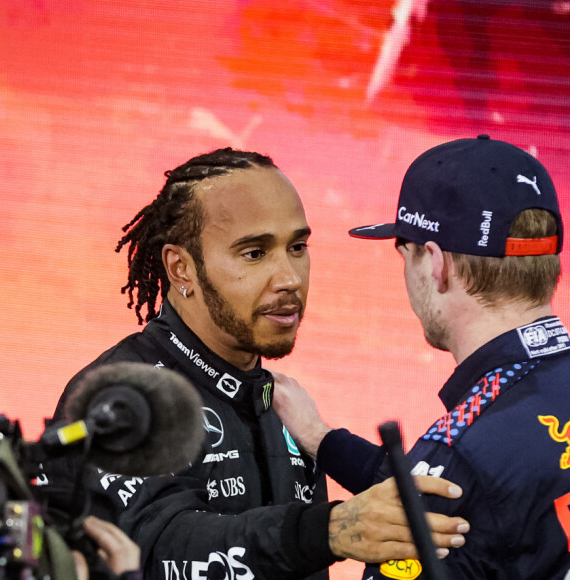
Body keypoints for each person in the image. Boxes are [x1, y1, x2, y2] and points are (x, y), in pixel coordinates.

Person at [49, 148, 469, 579]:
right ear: (181, 269)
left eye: (298, 246)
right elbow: (159, 547)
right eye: (254, 253)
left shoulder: (283, 405)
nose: (289, 278)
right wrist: (331, 529)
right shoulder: (118, 396)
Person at [273, 135, 570, 579]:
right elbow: (498, 498)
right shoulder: (477, 449)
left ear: (435, 263)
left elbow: (469, 487)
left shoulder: (461, 451)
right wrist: (322, 439)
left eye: (404, 253)